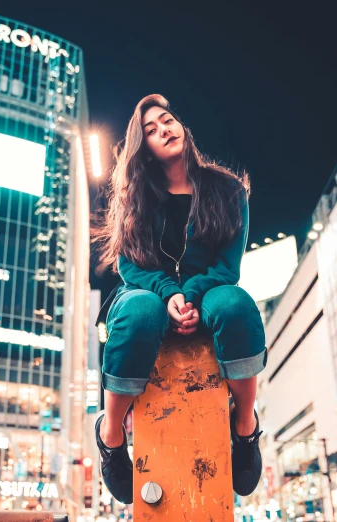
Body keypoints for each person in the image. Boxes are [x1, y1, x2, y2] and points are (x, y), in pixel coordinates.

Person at [92, 94, 267, 503]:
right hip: (148, 291)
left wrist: (189, 295)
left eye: (167, 120)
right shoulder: (135, 195)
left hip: (207, 290)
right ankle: (111, 434)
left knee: (235, 304)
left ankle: (244, 426)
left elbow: (228, 265)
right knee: (138, 310)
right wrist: (168, 294)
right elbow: (129, 266)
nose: (163, 130)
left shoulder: (227, 189)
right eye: (150, 130)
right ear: (144, 148)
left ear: (182, 127)